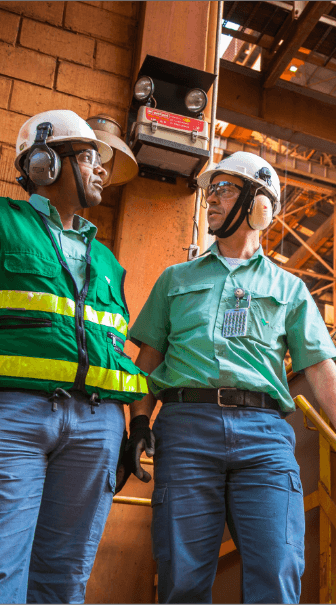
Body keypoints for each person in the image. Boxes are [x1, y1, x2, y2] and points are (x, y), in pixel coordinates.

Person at [0, 110, 148, 604]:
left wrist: (132, 425)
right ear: (45, 163)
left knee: (64, 580)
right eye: (90, 157)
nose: (102, 170)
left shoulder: (107, 260)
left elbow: (113, 350)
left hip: (97, 425)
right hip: (13, 414)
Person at [125, 151, 336, 604]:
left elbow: (321, 370)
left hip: (265, 438)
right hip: (185, 430)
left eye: (224, 189)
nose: (212, 201)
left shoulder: (290, 289)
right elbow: (146, 361)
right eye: (210, 192)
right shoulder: (174, 279)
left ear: (259, 204)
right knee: (181, 576)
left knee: (278, 569)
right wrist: (139, 423)